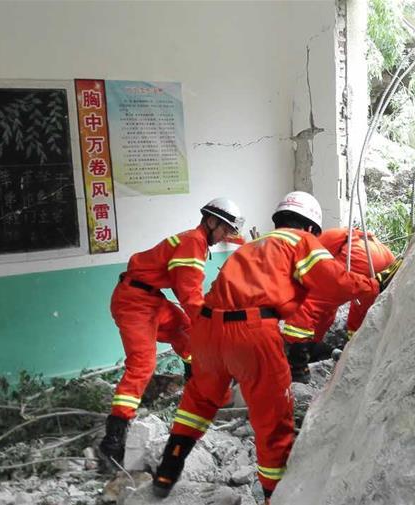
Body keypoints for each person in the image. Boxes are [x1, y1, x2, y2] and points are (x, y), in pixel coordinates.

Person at [151, 191, 400, 502]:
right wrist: (374, 285)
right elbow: (333, 284)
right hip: (251, 332)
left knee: (197, 405)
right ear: (310, 227)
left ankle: (167, 471)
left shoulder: (252, 246)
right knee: (273, 420)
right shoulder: (302, 242)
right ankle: (274, 496)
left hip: (206, 331)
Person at [98, 198, 244, 467]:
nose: (226, 236)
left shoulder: (196, 241)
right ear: (210, 222)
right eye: (225, 229)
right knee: (142, 364)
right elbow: (189, 296)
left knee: (186, 332)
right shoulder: (192, 244)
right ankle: (113, 438)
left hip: (151, 299)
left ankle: (196, 384)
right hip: (133, 302)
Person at [282, 227, 396, 383]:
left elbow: (320, 301)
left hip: (359, 255)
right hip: (384, 256)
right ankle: (356, 349)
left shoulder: (317, 242)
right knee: (360, 314)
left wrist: (310, 341)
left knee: (310, 303)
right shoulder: (336, 235)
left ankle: (296, 362)